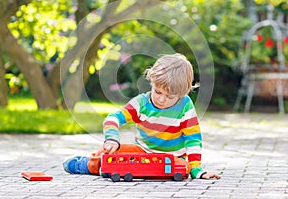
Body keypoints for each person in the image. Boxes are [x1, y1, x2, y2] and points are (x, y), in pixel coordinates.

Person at [63, 53, 220, 180]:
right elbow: (113, 118)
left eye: (170, 96)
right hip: (142, 152)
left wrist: (197, 170)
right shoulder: (141, 103)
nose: (162, 99)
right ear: (152, 82)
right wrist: (112, 138)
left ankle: (117, 170)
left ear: (182, 93)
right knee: (107, 154)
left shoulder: (185, 106)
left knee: (183, 168)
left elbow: (193, 139)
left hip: (171, 158)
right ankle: (89, 165)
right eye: (158, 92)